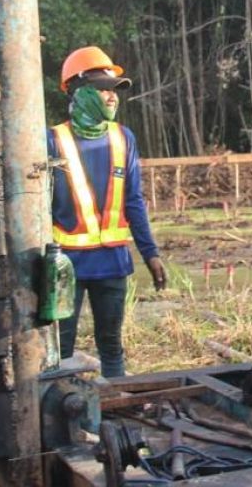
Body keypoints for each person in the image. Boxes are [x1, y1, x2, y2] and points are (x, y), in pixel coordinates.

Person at [49, 45, 166, 377]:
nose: (113, 97)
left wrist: (151, 253)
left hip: (112, 263)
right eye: (104, 89)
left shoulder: (123, 138)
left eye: (116, 90)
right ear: (80, 92)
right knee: (61, 350)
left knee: (111, 346)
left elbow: (133, 201)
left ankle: (114, 409)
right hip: (66, 267)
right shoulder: (52, 141)